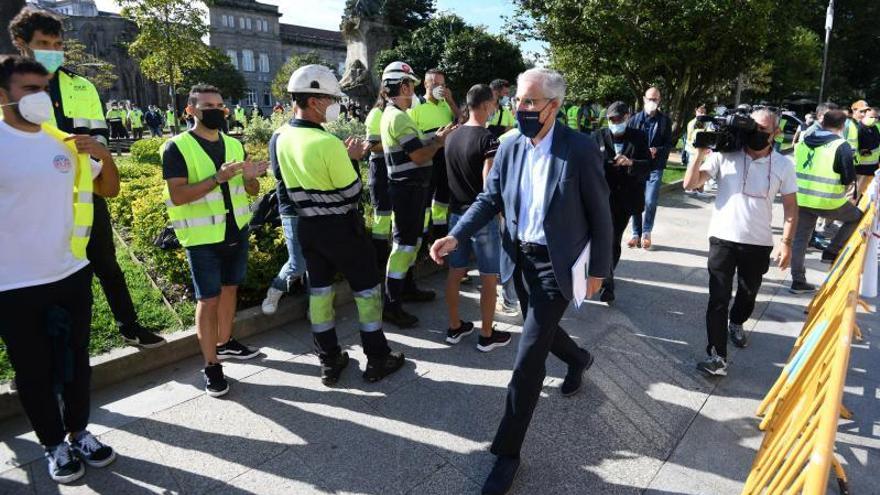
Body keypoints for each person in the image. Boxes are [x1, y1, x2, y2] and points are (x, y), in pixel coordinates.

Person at [430, 68, 612, 495]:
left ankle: (506, 453)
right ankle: (578, 359)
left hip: (557, 266)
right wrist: (456, 235)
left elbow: (602, 216)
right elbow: (488, 198)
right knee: (541, 331)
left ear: (554, 106)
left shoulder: (580, 150)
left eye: (530, 102)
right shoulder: (509, 144)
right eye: (518, 102)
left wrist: (599, 273)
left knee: (528, 359)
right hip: (519, 259)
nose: (520, 109)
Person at [10, 7, 165, 348]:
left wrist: (97, 153)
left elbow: (101, 141)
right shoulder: (8, 90)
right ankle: (41, 354)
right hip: (33, 204)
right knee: (41, 283)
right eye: (43, 43)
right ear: (22, 44)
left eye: (57, 43)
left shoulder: (82, 87)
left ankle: (129, 325)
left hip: (84, 197)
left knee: (107, 265)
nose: (52, 51)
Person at [0, 55, 121, 484]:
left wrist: (103, 155)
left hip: (70, 272)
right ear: (3, 95)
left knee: (76, 362)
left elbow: (108, 188)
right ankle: (53, 444)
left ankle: (79, 431)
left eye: (43, 89)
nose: (41, 98)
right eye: (28, 90)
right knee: (33, 370)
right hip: (14, 284)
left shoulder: (63, 141)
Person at [275, 64, 405, 385]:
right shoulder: (329, 143)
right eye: (331, 98)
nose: (334, 103)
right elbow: (351, 192)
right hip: (342, 229)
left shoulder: (280, 136)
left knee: (318, 293)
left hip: (308, 228)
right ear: (315, 100)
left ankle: (329, 360)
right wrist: (353, 159)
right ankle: (377, 357)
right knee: (366, 290)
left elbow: (281, 182)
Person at [161, 84, 264, 397]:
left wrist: (249, 178)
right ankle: (211, 365)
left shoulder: (234, 143)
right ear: (190, 110)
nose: (216, 110)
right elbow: (178, 196)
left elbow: (253, 191)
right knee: (208, 299)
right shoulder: (176, 147)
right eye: (207, 105)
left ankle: (226, 342)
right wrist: (217, 179)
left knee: (230, 288)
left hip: (236, 230)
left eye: (220, 104)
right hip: (203, 237)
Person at [683, 109, 798, 376]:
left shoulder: (783, 165)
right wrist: (700, 152)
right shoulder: (725, 156)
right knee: (718, 298)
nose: (756, 135)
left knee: (748, 294)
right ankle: (717, 357)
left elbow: (792, 208)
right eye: (753, 129)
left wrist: (787, 243)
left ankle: (737, 322)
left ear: (776, 133)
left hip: (758, 243)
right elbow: (690, 184)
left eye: (764, 131)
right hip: (722, 238)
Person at [379, 61, 455, 328]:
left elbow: (414, 147)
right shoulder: (399, 117)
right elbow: (419, 154)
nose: (413, 89)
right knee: (403, 247)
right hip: (407, 190)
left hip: (409, 189)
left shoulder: (394, 114)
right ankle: (391, 305)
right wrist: (438, 142)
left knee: (410, 242)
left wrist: (434, 137)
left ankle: (407, 289)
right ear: (402, 86)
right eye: (410, 84)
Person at [442, 83, 513, 351]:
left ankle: (454, 326)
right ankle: (486, 334)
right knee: (488, 276)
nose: (495, 108)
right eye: (494, 104)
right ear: (485, 105)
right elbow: (488, 183)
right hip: (481, 217)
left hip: (456, 215)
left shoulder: (452, 136)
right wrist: (500, 212)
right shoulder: (488, 140)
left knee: (455, 272)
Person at [789, 109, 863, 293]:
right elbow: (848, 178)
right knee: (856, 217)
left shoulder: (805, 140)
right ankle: (831, 251)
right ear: (842, 125)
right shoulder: (841, 145)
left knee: (800, 240)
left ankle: (797, 281)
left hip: (803, 198)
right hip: (829, 201)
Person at [593, 101, 650, 303]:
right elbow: (589, 164)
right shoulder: (597, 136)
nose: (615, 122)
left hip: (625, 199)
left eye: (619, 118)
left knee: (614, 238)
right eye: (611, 119)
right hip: (601, 198)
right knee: (604, 238)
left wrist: (631, 163)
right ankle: (607, 282)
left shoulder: (639, 137)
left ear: (627, 117)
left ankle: (607, 275)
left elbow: (648, 167)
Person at [408, 68, 461, 239]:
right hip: (426, 161)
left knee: (442, 199)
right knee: (425, 201)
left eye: (443, 85)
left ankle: (439, 234)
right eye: (436, 84)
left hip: (446, 161)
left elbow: (463, 121)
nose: (440, 88)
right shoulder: (415, 107)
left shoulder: (446, 104)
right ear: (425, 84)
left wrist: (451, 100)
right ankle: (421, 238)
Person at [628, 86, 673, 250]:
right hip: (638, 166)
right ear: (644, 99)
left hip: (655, 166)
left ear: (659, 100)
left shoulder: (664, 121)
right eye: (650, 99)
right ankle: (635, 234)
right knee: (636, 200)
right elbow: (629, 142)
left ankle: (646, 232)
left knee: (650, 201)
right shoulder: (635, 119)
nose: (652, 102)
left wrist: (657, 150)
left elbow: (669, 144)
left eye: (655, 99)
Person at [364, 91, 393, 274]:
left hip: (397, 169)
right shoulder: (376, 114)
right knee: (382, 218)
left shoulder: (404, 112)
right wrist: (396, 141)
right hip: (381, 170)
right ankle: (379, 262)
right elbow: (372, 145)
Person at [854, 106, 880, 192]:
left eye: (876, 117)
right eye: (871, 117)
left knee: (866, 194)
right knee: (855, 193)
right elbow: (857, 148)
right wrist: (865, 152)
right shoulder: (858, 129)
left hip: (873, 168)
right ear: (864, 116)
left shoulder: (874, 128)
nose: (874, 119)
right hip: (861, 169)